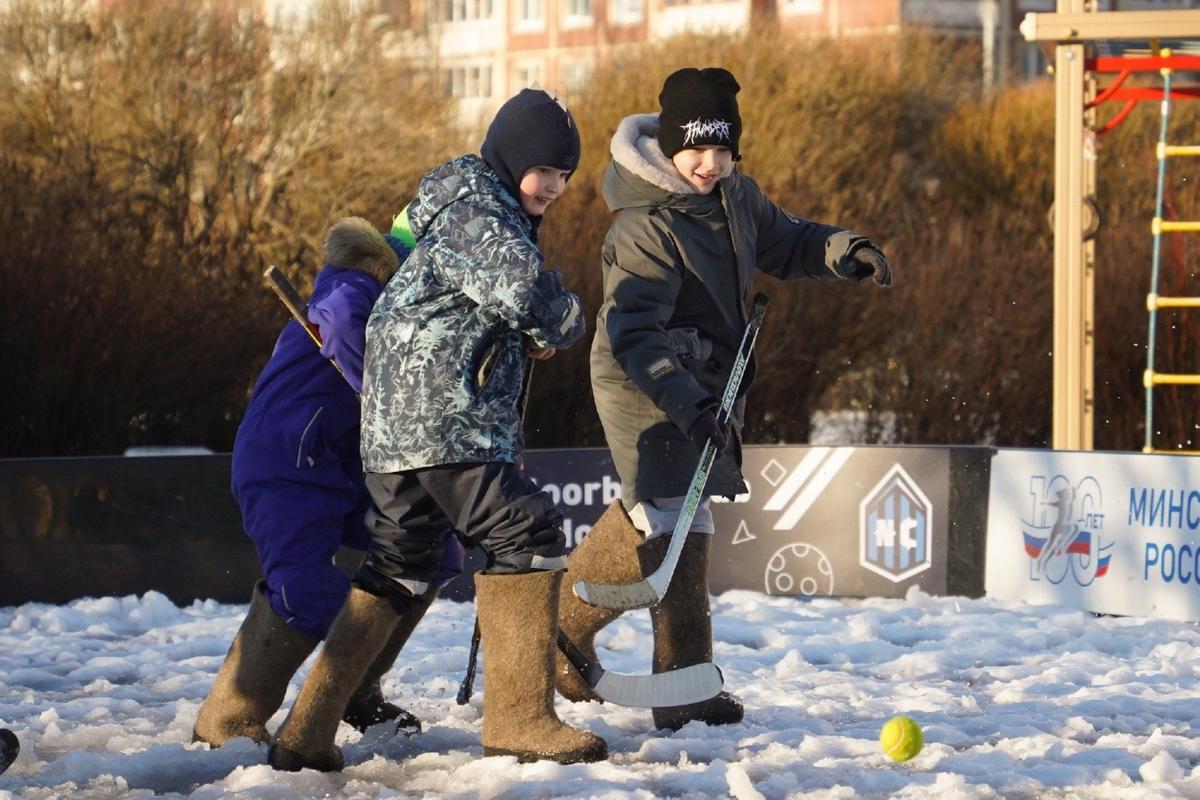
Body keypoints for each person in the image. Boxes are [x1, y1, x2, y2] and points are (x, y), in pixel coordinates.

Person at [268, 87, 606, 772]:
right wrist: (561, 320)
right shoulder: (482, 212)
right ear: (511, 157)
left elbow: (485, 306)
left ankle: (306, 732)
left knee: (402, 563)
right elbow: (530, 296)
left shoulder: (461, 208)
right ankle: (521, 720)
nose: (557, 186)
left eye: (567, 175)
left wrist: (524, 332)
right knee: (525, 533)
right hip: (443, 420)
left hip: (399, 428)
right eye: (546, 170)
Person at [555, 67, 893, 731]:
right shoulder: (643, 227)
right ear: (668, 149)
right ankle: (682, 688)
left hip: (702, 376)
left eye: (721, 150)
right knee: (677, 518)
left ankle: (558, 631)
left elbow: (789, 239)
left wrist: (845, 251)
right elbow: (633, 332)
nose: (708, 165)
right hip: (643, 379)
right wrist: (685, 403)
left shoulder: (737, 197)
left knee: (668, 515)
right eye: (695, 151)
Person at [193, 217, 465, 748]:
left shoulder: (404, 305)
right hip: (286, 466)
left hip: (341, 468)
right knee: (306, 593)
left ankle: (356, 691)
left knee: (433, 551)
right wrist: (384, 396)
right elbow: (339, 321)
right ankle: (225, 723)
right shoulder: (356, 285)